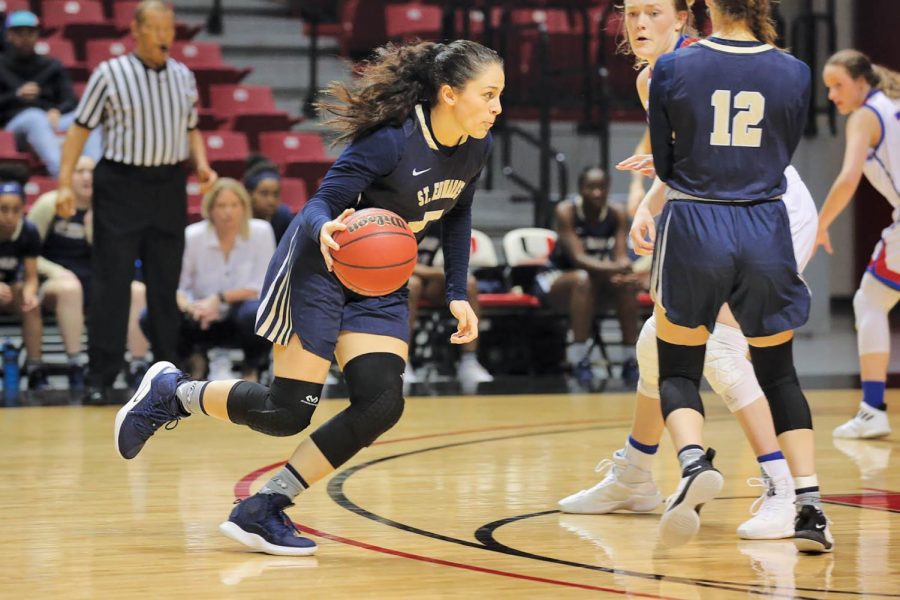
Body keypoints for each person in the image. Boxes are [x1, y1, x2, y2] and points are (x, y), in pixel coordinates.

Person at [113, 39, 502, 556]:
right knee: (287, 411)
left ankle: (264, 507)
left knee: (381, 403)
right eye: (489, 95)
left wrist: (457, 293)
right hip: (320, 264)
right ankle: (172, 392)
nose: (498, 108)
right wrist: (323, 230)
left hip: (379, 281)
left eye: (501, 95)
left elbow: (457, 214)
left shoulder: (478, 146)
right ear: (449, 94)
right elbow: (320, 201)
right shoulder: (390, 141)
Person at [560, 0, 826, 548]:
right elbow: (680, 162)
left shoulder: (684, 67)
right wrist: (650, 202)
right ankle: (636, 474)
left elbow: (683, 161)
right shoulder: (654, 75)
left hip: (760, 202)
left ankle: (782, 487)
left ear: (686, 18)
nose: (638, 25)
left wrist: (655, 195)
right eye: (631, 13)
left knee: (719, 351)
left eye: (653, 12)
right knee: (656, 346)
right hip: (727, 199)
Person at [55, 0, 217, 404]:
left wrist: (202, 164)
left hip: (168, 184)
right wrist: (63, 184)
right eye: (157, 28)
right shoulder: (109, 74)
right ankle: (101, 376)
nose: (166, 36)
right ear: (136, 31)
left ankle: (167, 376)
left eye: (170, 28)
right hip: (120, 184)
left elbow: (192, 127)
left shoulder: (183, 75)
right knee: (113, 284)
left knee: (165, 284)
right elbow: (78, 131)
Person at [816, 49, 900, 440]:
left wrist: (821, 222)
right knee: (872, 299)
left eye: (838, 85)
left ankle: (872, 409)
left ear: (862, 82)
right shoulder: (892, 103)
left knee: (870, 300)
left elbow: (848, 178)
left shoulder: (866, 116)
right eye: (828, 88)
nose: (832, 95)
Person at [535, 166, 640, 386]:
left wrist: (624, 272)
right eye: (591, 187)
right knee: (583, 278)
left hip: (596, 280)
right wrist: (616, 269)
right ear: (581, 188)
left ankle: (631, 359)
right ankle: (579, 359)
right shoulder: (566, 211)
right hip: (557, 279)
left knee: (627, 285)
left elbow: (621, 257)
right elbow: (578, 258)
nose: (597, 193)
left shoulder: (616, 213)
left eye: (602, 187)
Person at [164, 178, 275, 382]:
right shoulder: (192, 235)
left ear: (244, 207)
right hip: (202, 317)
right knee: (153, 315)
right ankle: (192, 360)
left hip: (240, 316)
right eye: (221, 205)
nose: (228, 212)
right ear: (209, 209)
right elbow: (179, 287)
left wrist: (219, 298)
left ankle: (253, 367)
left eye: (234, 205)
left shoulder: (261, 232)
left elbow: (263, 285)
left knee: (258, 311)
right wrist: (191, 308)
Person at [0, 11, 101, 177]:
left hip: (52, 119)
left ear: (37, 34)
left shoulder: (51, 65)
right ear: (9, 35)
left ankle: (94, 175)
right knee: (34, 117)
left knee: (87, 119)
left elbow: (71, 99)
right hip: (12, 124)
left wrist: (58, 111)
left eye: (30, 32)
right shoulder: (1, 65)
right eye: (19, 32)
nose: (25, 37)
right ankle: (63, 175)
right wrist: (17, 95)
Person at [406, 224, 493, 389]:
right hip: (396, 277)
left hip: (432, 282)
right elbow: (395, 263)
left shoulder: (442, 217)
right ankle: (402, 363)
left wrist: (444, 273)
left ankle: (469, 361)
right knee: (412, 285)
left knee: (468, 283)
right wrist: (439, 273)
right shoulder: (400, 213)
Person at [0, 180, 44, 389]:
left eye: (15, 210)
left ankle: (35, 368)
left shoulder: (28, 232)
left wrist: (29, 293)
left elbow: (31, 276)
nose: (9, 216)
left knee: (31, 306)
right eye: (3, 209)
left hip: (11, 292)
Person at [243, 156, 294, 244]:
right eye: (264, 193)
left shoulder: (283, 216)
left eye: (276, 194)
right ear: (249, 194)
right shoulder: (239, 217)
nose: (271, 200)